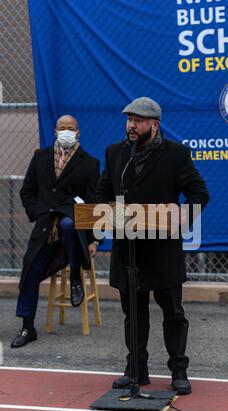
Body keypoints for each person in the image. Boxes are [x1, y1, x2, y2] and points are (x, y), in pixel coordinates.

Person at [96, 97, 209, 394]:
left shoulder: (176, 155)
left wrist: (184, 214)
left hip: (162, 250)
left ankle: (179, 370)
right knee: (133, 314)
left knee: (172, 311)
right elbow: (102, 192)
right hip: (128, 249)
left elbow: (198, 192)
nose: (131, 126)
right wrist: (104, 208)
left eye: (138, 121)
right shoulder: (114, 154)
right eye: (129, 120)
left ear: (154, 124)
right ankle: (136, 369)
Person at [11, 115, 100, 348]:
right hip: (45, 229)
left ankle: (75, 277)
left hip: (74, 233)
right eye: (62, 128)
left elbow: (93, 204)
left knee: (68, 224)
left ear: (78, 132)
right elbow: (27, 192)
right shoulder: (40, 157)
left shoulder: (90, 163)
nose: (66, 131)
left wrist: (94, 240)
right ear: (55, 131)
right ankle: (27, 326)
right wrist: (40, 212)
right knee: (31, 268)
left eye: (71, 128)